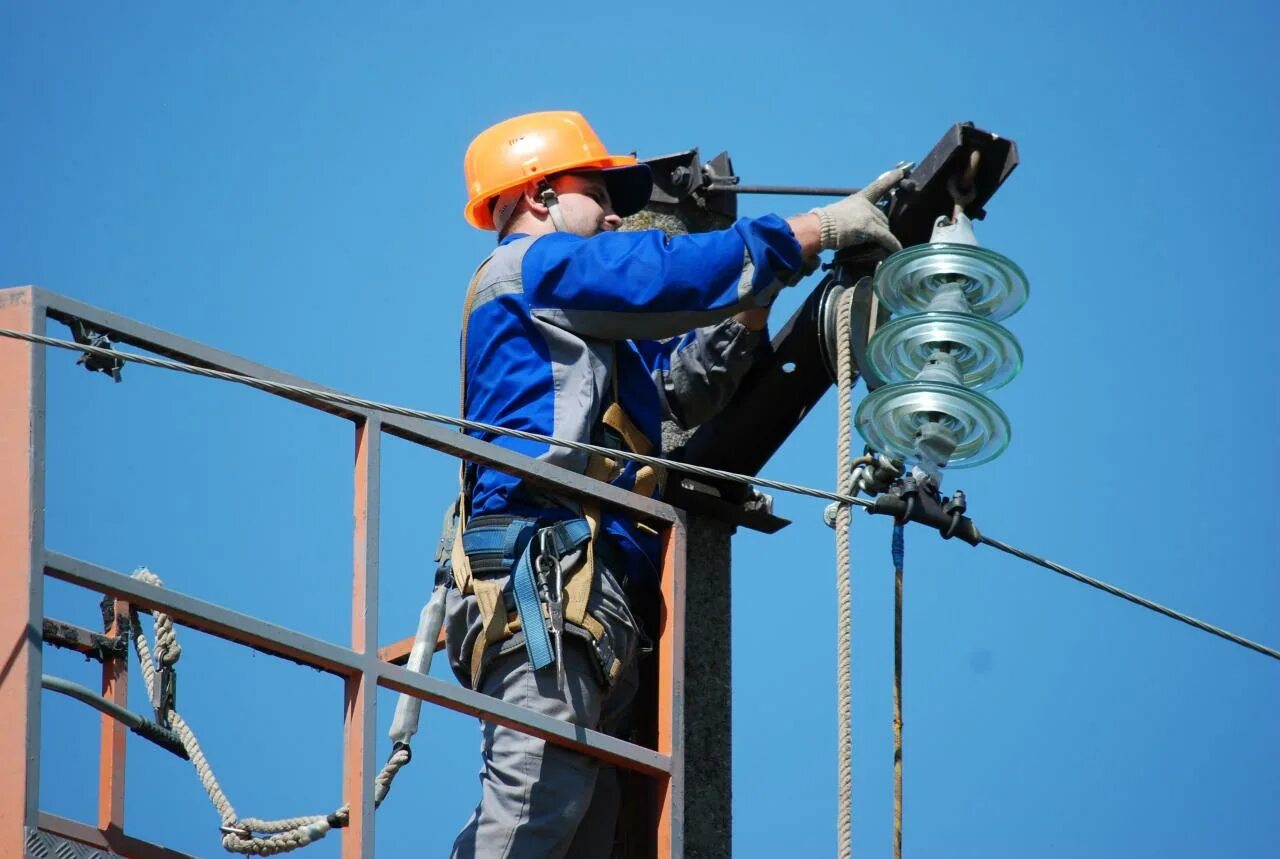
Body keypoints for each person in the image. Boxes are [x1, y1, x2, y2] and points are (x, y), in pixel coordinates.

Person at [442, 110, 905, 858]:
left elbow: (683, 385)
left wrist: (761, 293)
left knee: (581, 831)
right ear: (537, 196)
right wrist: (812, 228)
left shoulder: (591, 338)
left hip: (592, 602)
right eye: (596, 188)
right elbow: (660, 276)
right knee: (534, 806)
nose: (616, 209)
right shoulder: (528, 268)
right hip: (543, 582)